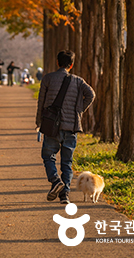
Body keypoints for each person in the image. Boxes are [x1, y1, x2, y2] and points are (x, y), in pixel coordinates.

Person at [36, 50, 95, 205]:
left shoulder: (48, 78)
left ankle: (55, 181)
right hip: (71, 127)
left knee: (48, 156)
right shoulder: (78, 81)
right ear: (72, 65)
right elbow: (91, 95)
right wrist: (79, 110)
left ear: (57, 63)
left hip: (51, 126)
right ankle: (65, 196)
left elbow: (41, 102)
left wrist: (38, 122)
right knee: (67, 162)